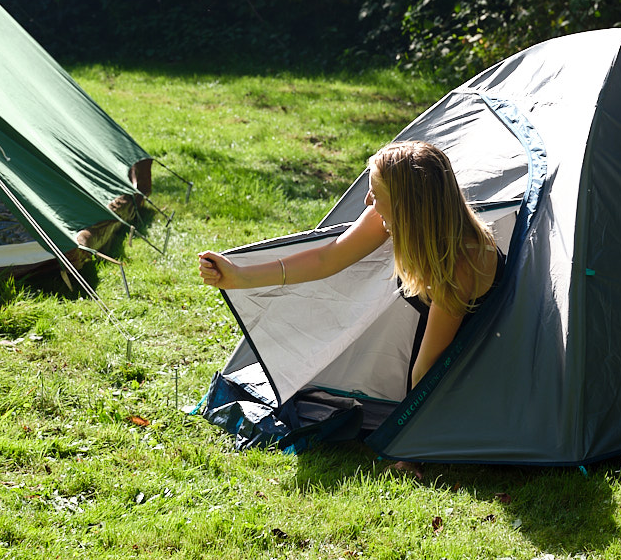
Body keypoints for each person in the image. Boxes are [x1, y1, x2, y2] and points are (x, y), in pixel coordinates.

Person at [197, 140, 502, 390]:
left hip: (477, 362)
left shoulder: (461, 264)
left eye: (376, 194)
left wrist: (406, 450)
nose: (368, 201)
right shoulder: (395, 212)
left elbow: (428, 367)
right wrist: (239, 277)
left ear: (406, 206)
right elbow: (328, 258)